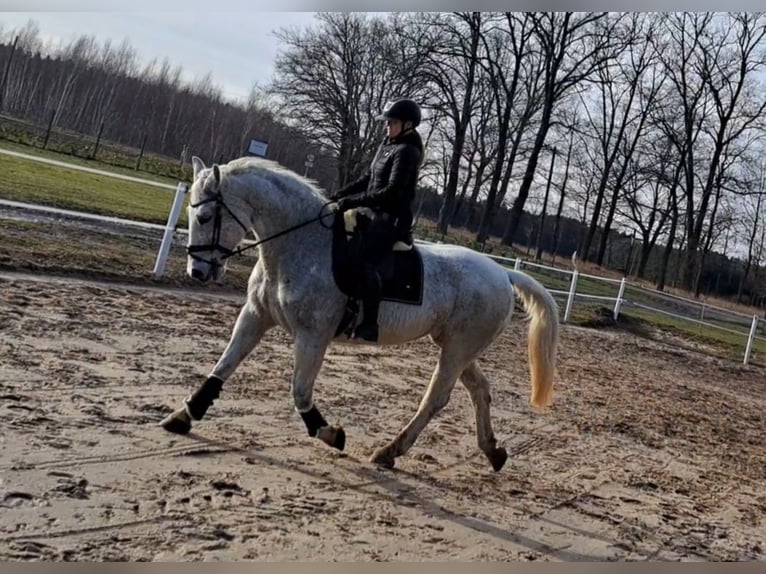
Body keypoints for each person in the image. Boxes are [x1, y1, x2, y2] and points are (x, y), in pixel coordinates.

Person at [330, 97, 424, 343]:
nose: (387, 126)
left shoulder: (407, 152)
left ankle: (370, 323)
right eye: (388, 122)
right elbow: (368, 179)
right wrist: (341, 194)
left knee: (366, 260)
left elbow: (392, 191)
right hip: (373, 211)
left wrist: (355, 201)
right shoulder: (387, 146)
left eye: (392, 122)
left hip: (392, 216)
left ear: (408, 125)